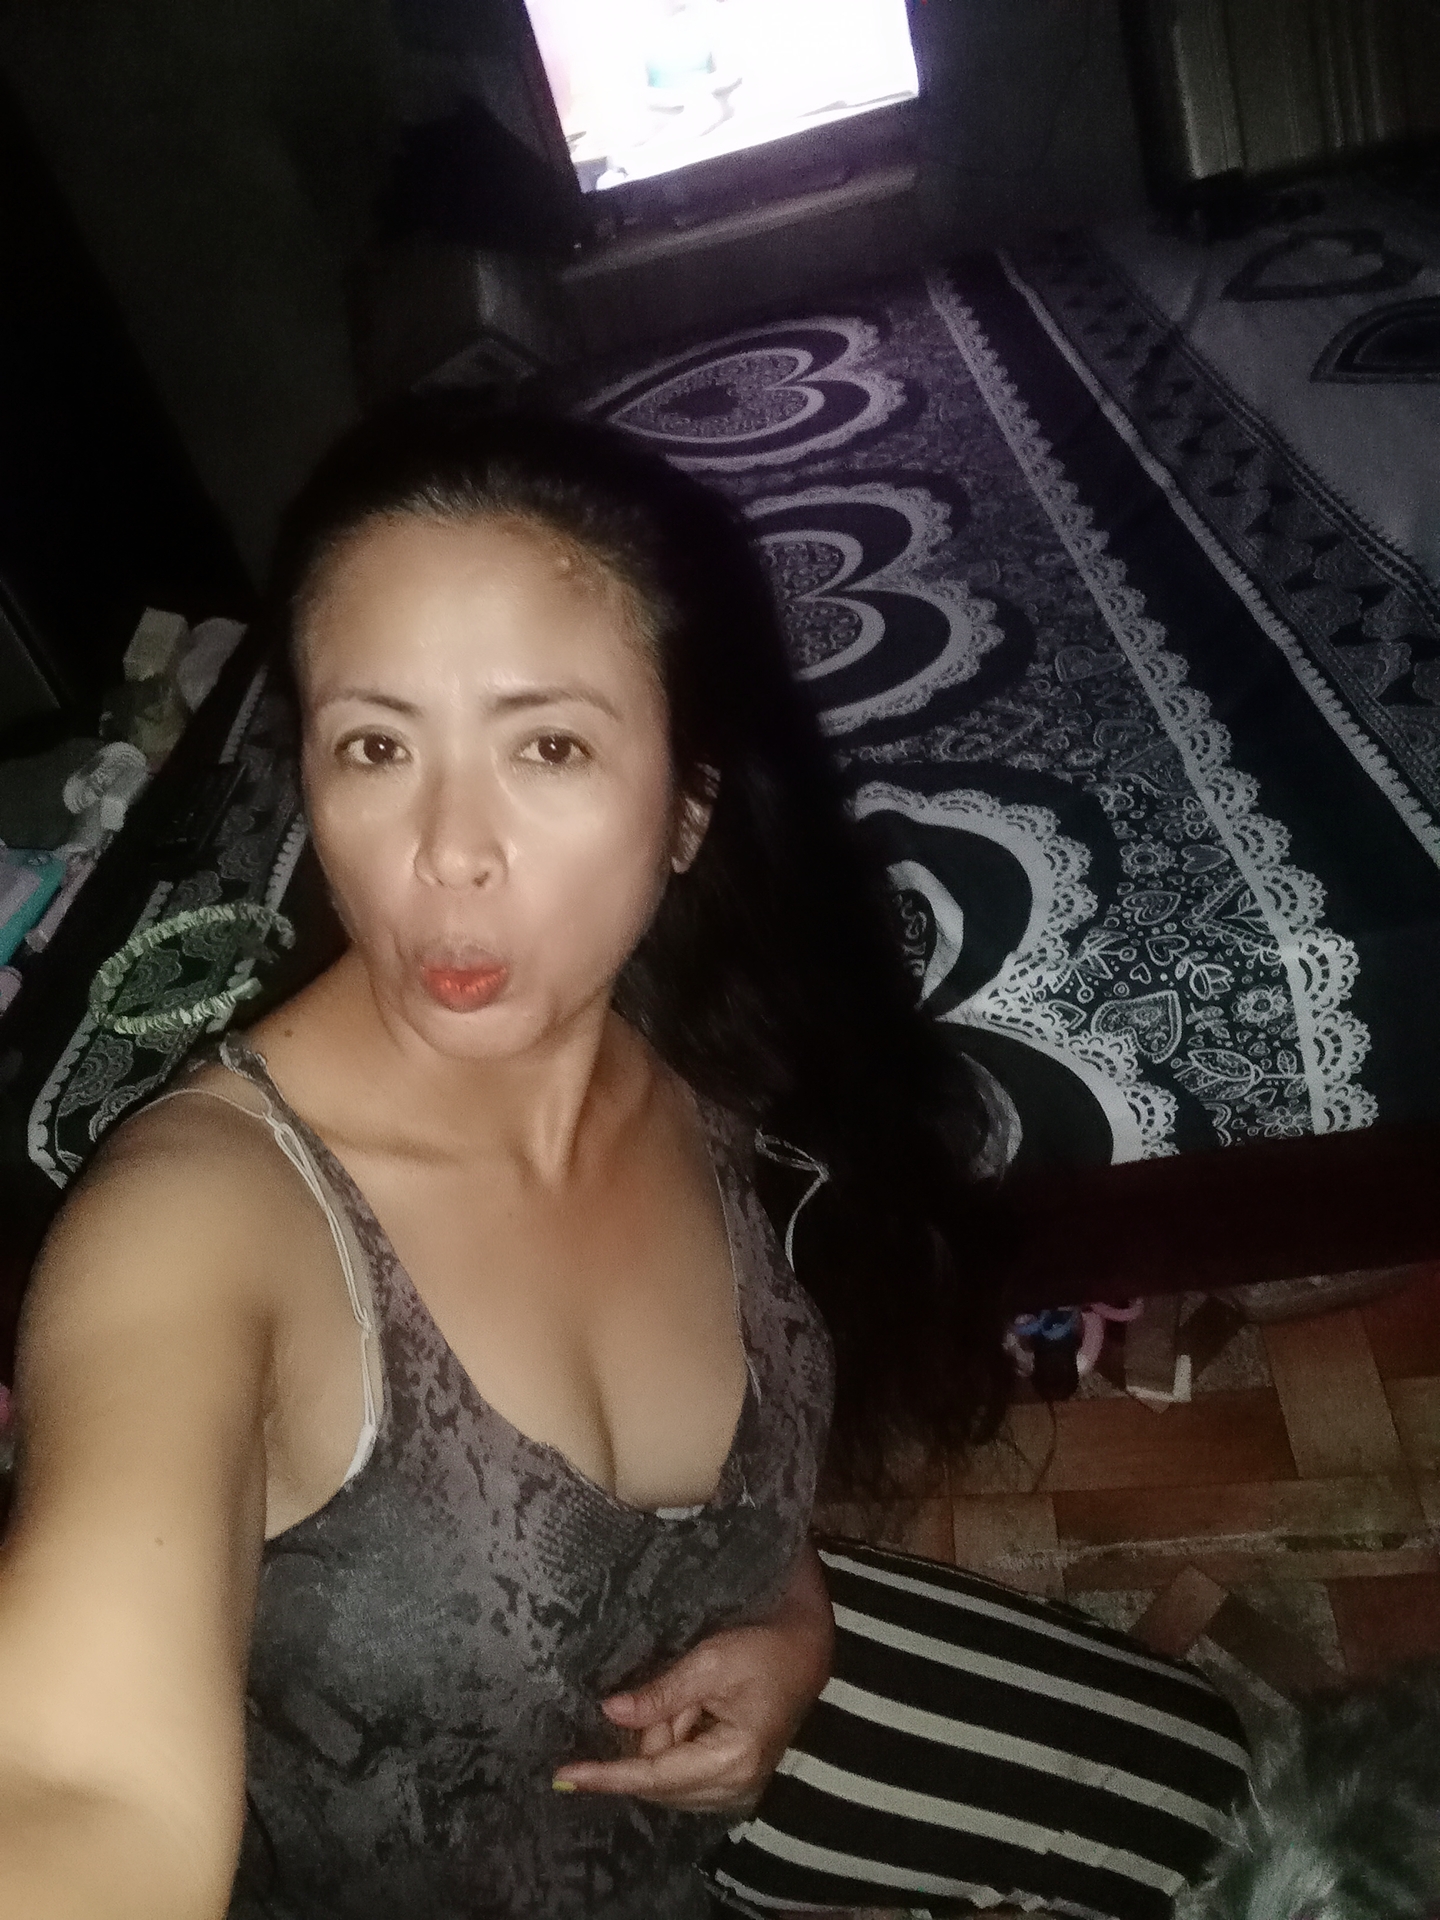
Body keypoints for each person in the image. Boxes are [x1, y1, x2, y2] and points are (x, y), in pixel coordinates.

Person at [0, 399, 1010, 1918]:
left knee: (1210, 1786)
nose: (449, 851)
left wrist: (796, 1621)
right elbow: (79, 1786)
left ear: (687, 809)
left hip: (696, 1823)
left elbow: (728, 1484)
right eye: (376, 745)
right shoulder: (196, 1221)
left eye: (547, 745)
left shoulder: (719, 1066)